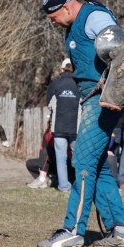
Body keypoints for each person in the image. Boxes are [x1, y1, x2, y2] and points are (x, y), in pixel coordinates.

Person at [38, 0, 124, 247]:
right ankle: (121, 230)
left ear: (68, 6)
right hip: (90, 97)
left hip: (103, 99)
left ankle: (73, 229)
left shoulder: (94, 17)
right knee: (98, 166)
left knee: (82, 161)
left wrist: (116, 95)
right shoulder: (73, 26)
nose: (52, 22)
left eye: (53, 16)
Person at [46, 58, 81, 192]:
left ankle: (63, 186)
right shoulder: (80, 84)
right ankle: (80, 185)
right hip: (76, 128)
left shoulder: (55, 84)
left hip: (58, 127)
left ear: (62, 69)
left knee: (61, 158)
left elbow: (49, 104)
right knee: (78, 158)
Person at [26, 120, 75, 188]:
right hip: (51, 161)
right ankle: (47, 178)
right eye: (50, 122)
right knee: (30, 163)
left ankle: (45, 179)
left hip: (66, 162)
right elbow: (42, 150)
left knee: (46, 152)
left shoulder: (64, 133)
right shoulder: (47, 134)